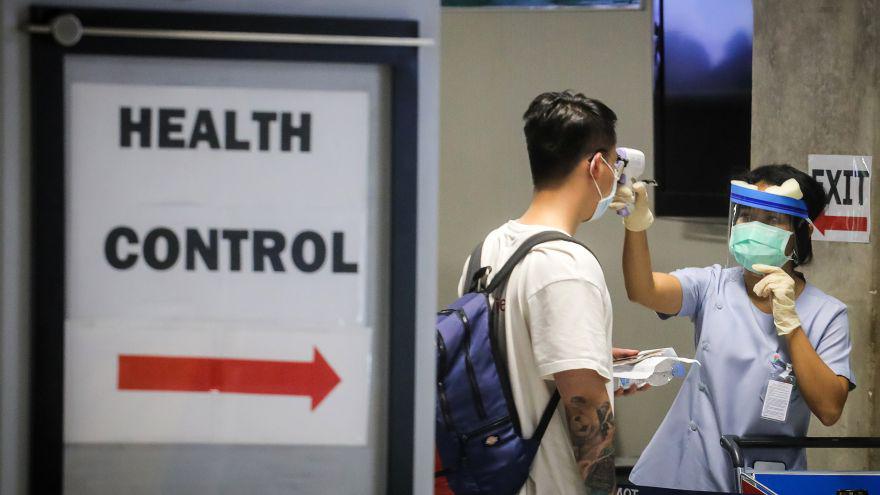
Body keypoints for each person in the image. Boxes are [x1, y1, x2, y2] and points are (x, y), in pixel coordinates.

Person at [616, 164, 854, 492]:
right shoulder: (712, 285)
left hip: (766, 481)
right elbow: (643, 289)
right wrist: (635, 224)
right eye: (747, 216)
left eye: (771, 219)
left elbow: (829, 409)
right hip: (683, 473)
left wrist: (790, 325)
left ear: (801, 231)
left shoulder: (827, 314)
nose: (755, 226)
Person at [455, 91, 640, 495]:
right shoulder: (567, 266)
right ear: (596, 166)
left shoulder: (486, 251)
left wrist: (590, 357)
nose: (616, 175)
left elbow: (502, 357)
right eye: (615, 162)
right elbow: (585, 403)